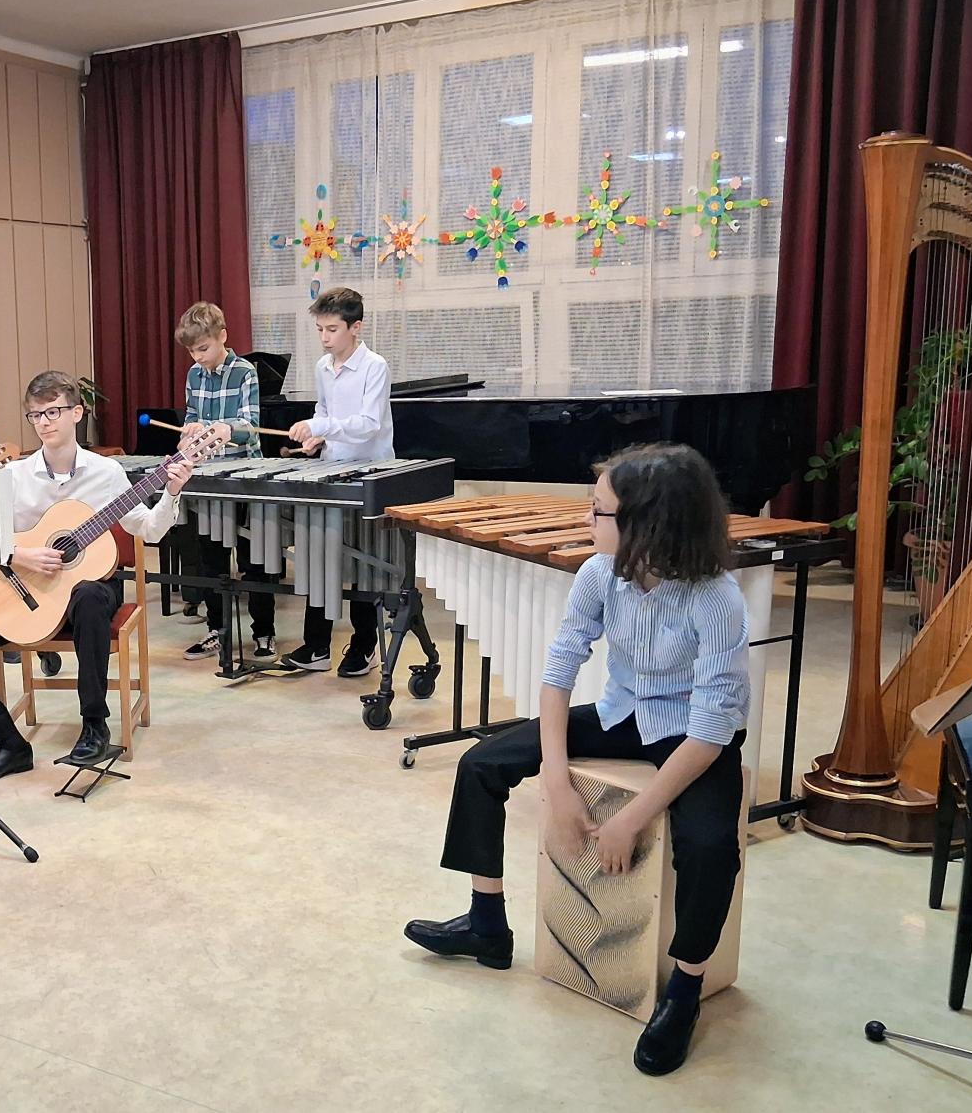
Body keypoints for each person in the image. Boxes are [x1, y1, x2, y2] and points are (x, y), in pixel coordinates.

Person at [403, 443, 749, 1077]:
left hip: (693, 736)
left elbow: (710, 730)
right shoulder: (597, 573)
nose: (587, 520)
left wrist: (631, 819)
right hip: (622, 713)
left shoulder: (717, 597)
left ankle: (685, 986)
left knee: (709, 846)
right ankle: (486, 924)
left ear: (647, 524)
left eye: (598, 510)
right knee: (482, 764)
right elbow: (559, 673)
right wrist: (556, 781)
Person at [0, 371, 193, 785]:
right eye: (36, 415)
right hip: (27, 591)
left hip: (92, 593)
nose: (44, 422)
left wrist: (172, 493)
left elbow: (150, 530)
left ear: (76, 413)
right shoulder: (14, 475)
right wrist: (20, 555)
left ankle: (94, 726)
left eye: (53, 411)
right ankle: (8, 746)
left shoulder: (106, 473)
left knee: (88, 595)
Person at [282, 286, 393, 677]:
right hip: (332, 471)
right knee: (320, 558)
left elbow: (368, 424)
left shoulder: (374, 366)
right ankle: (317, 647)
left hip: (369, 475)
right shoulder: (322, 367)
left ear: (355, 327)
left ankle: (364, 646)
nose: (325, 338)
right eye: (320, 330)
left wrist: (321, 427)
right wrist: (315, 438)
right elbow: (324, 411)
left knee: (364, 565)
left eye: (332, 329)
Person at [173, 301, 277, 663]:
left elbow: (251, 426)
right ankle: (217, 630)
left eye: (203, 348)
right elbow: (191, 415)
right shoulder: (194, 375)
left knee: (255, 561)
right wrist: (189, 431)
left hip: (245, 477)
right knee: (211, 561)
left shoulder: (245, 372)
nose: (198, 357)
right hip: (209, 477)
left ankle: (263, 632)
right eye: (192, 351)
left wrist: (226, 428)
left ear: (223, 337)